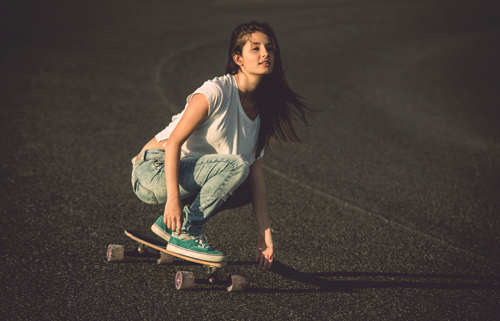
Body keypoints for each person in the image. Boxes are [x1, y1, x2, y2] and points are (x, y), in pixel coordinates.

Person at [130, 21, 313, 272]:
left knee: (245, 181)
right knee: (236, 165)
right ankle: (187, 232)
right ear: (238, 58)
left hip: (185, 174)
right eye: (255, 48)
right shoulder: (215, 91)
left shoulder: (261, 114)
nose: (265, 54)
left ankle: (170, 225)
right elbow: (173, 143)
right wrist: (173, 200)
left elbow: (257, 177)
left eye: (269, 48)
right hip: (153, 169)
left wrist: (264, 233)